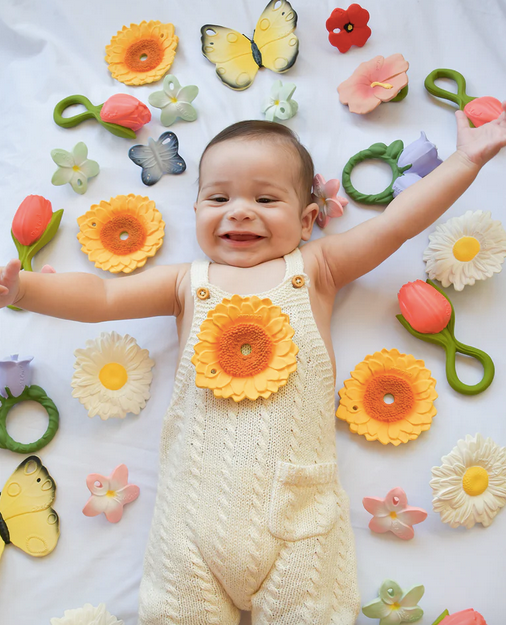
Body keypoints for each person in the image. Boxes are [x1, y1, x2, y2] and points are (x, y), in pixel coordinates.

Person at [1, 109, 506, 624]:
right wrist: (25, 289)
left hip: (300, 523)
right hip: (190, 526)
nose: (239, 212)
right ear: (196, 209)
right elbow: (102, 295)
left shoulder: (316, 269)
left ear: (308, 220)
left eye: (265, 199)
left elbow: (398, 223)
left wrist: (466, 160)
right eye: (219, 198)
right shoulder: (185, 283)